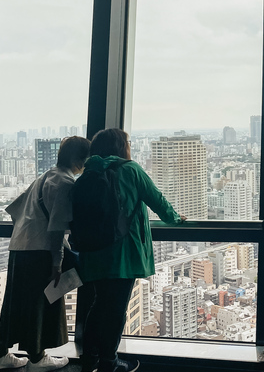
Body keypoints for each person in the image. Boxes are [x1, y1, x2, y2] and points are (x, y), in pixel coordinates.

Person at [76, 128, 186, 372]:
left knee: (98, 304)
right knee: (115, 308)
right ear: (120, 147)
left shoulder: (88, 173)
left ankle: (89, 358)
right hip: (122, 254)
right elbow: (158, 201)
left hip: (93, 253)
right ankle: (109, 361)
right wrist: (177, 219)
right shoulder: (130, 170)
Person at [0, 136, 91, 372]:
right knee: (38, 304)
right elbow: (56, 228)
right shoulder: (65, 183)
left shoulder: (45, 176)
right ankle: (36, 357)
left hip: (20, 246)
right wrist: (57, 263)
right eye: (85, 158)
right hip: (40, 251)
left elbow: (16, 210)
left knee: (14, 304)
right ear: (77, 159)